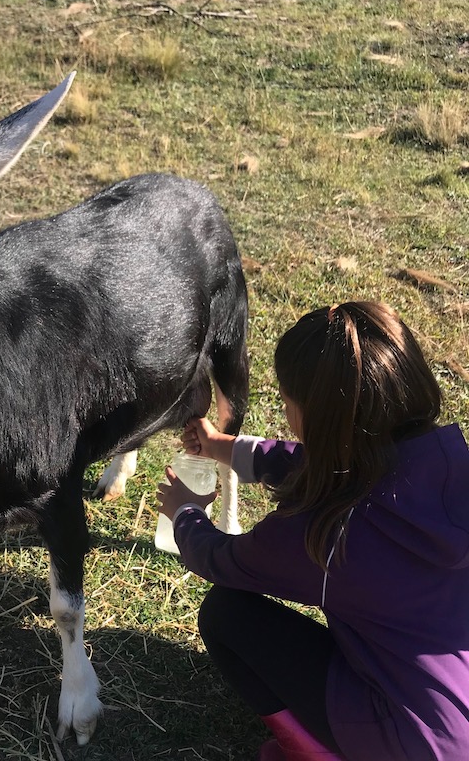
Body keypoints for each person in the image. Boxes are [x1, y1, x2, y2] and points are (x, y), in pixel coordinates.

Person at [156, 301, 469, 761]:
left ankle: (314, 752)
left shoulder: (327, 532)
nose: (286, 415)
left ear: (319, 419)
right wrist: (221, 446)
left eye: (287, 403)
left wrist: (185, 514)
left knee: (227, 614)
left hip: (413, 742)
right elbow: (318, 464)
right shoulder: (449, 466)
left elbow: (222, 561)